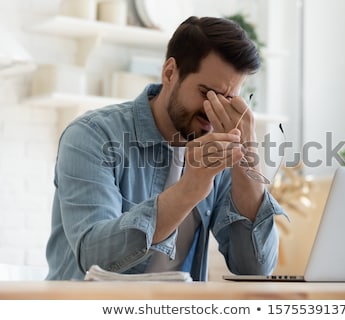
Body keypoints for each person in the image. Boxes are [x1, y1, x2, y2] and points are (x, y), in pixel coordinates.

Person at [45, 16, 287, 281]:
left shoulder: (221, 150)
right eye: (207, 93)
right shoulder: (92, 136)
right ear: (170, 72)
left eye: (228, 100)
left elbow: (256, 269)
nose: (212, 111)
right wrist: (190, 188)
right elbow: (94, 258)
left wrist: (247, 161)